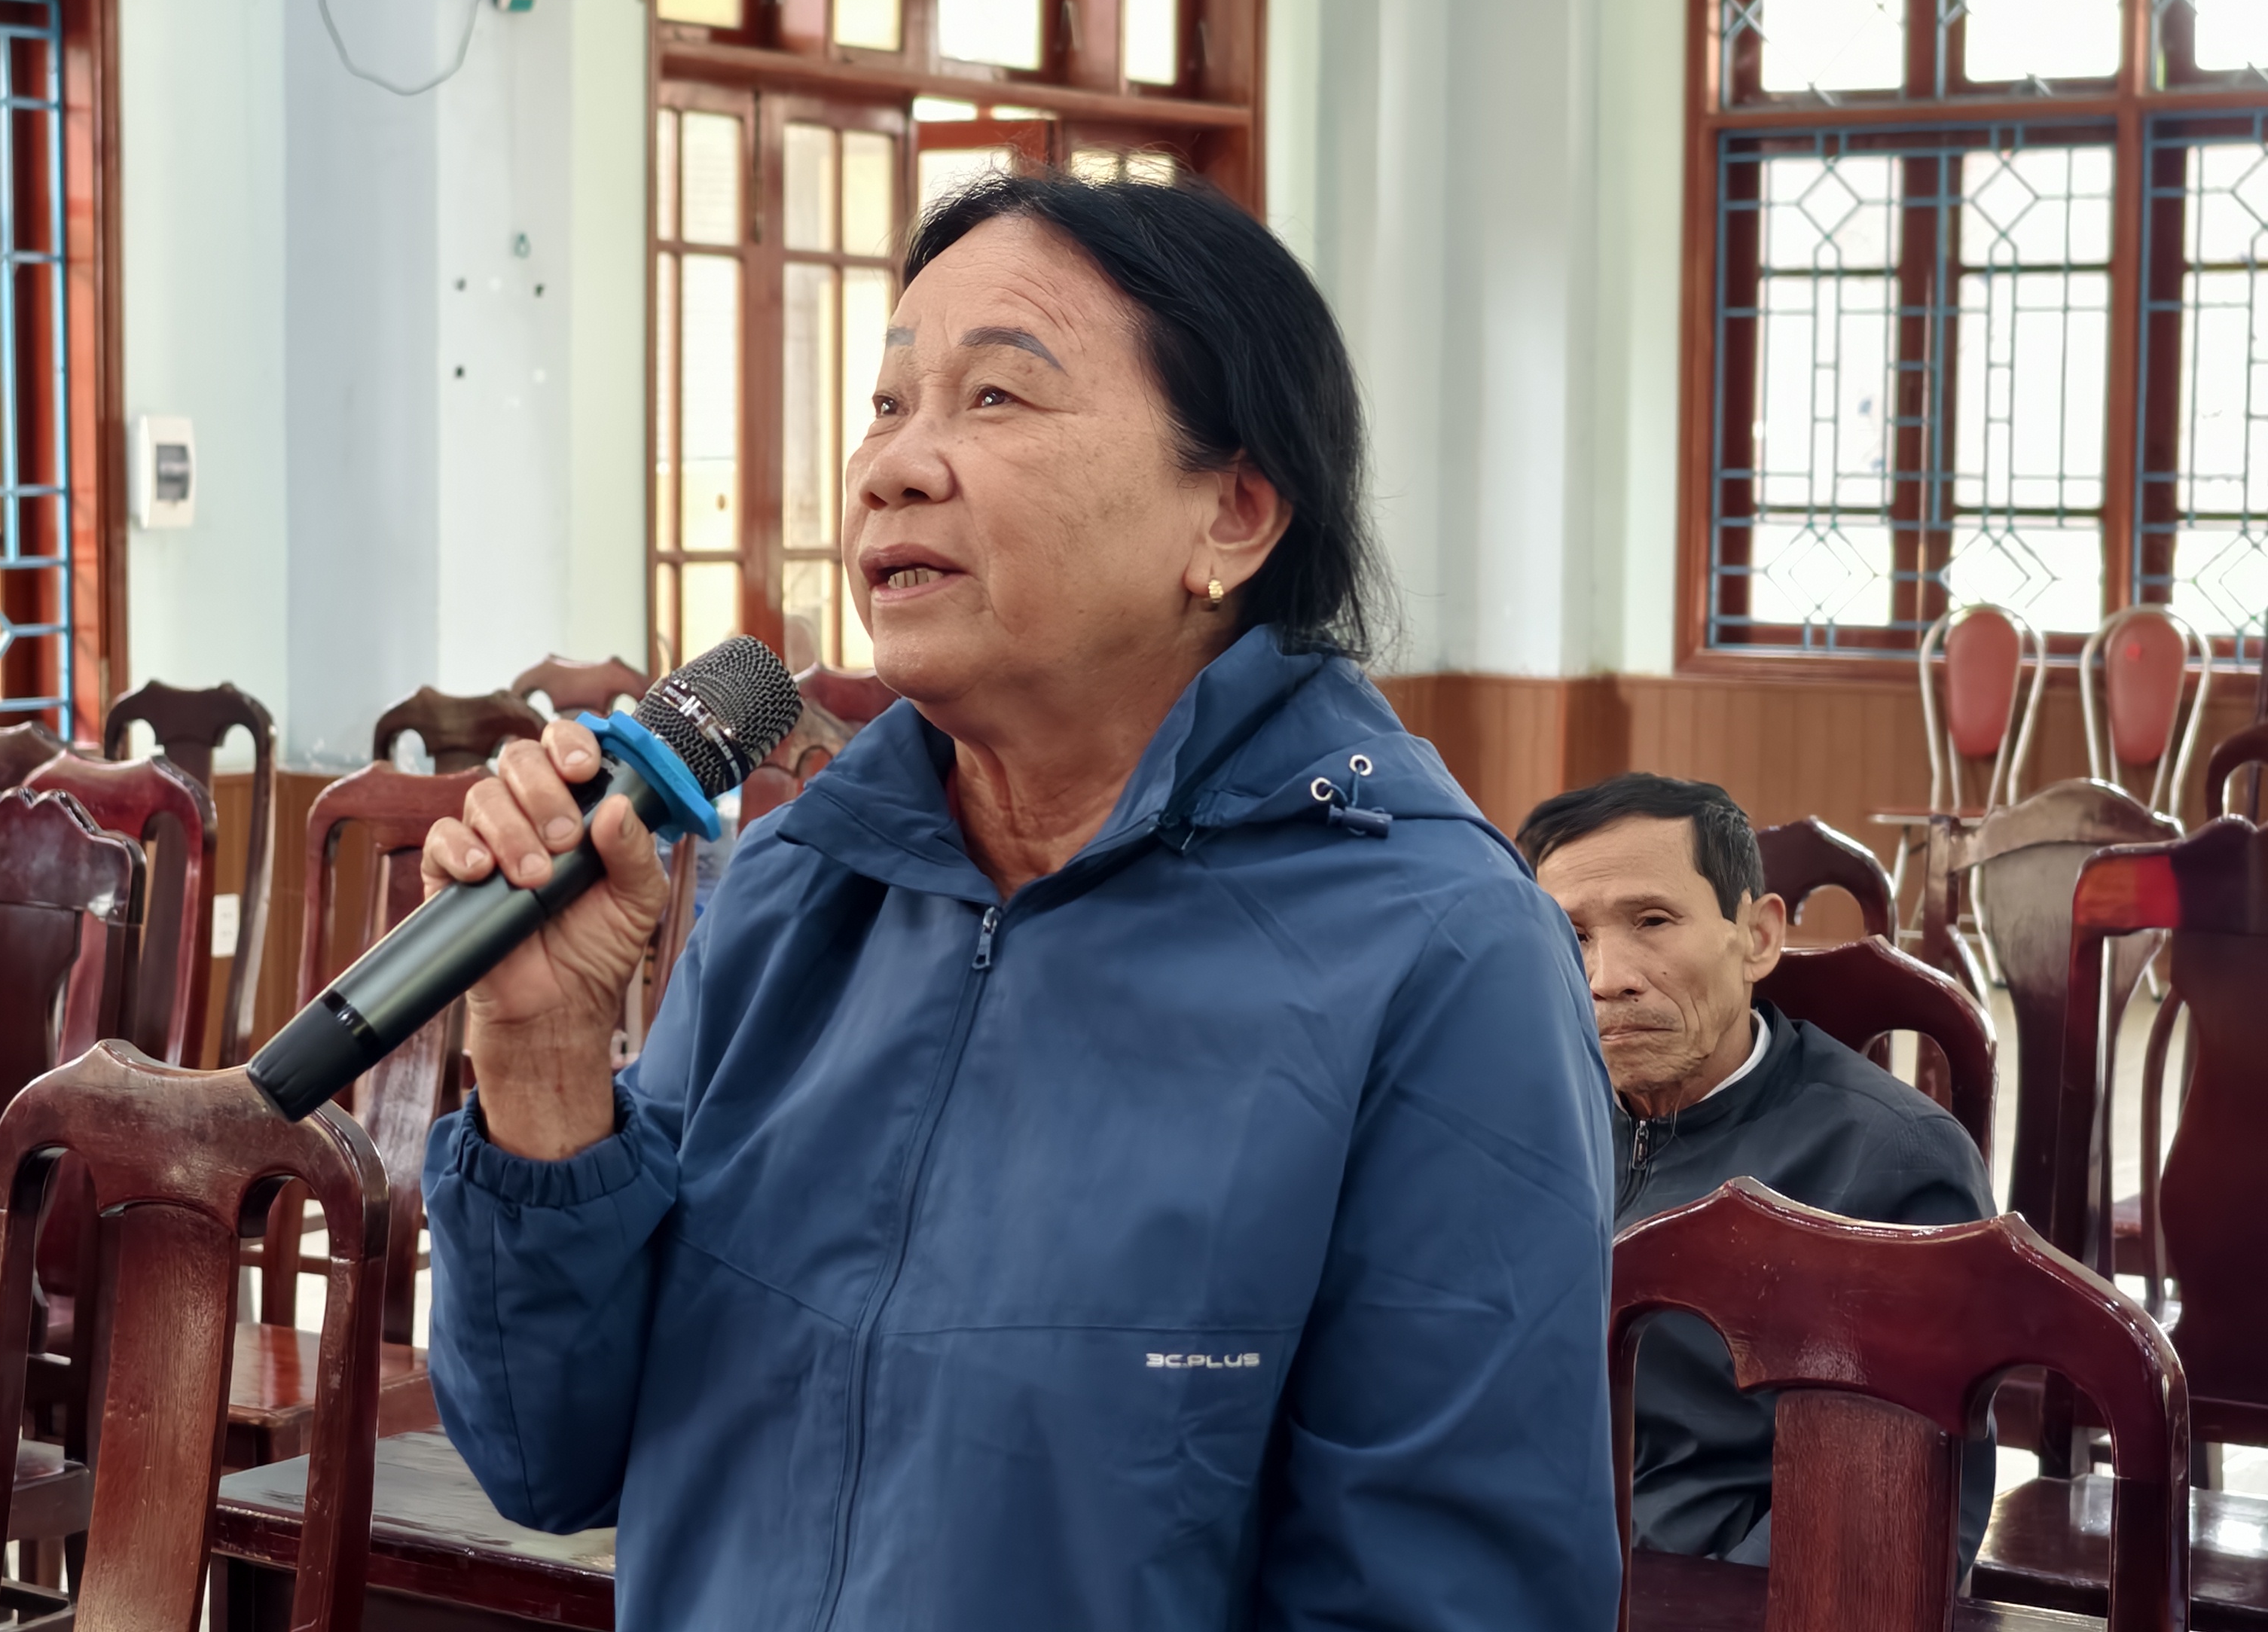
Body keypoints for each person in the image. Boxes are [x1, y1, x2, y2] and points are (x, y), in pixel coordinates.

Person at [417, 173, 1619, 1629]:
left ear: (1232, 513)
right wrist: (546, 1060)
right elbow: (548, 1455)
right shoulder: (803, 885)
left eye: (994, 397)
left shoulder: (1435, 949)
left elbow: (1446, 1593)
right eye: (885, 404)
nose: (892, 467)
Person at [1517, 772, 1992, 1572]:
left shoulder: (1887, 1160)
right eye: (1573, 936)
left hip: (1720, 1588)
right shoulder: (1516, 1124)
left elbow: (1887, 1512)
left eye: (1652, 921)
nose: (1607, 978)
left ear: (1758, 937)